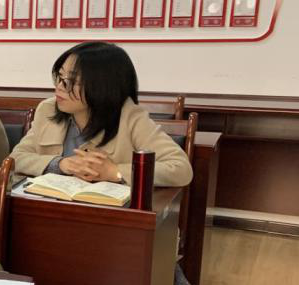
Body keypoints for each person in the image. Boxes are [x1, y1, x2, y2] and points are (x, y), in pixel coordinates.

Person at [10, 41, 192, 187]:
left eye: (70, 80)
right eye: (59, 76)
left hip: (105, 214)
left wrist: (115, 172)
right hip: (49, 206)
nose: (59, 86)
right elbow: (15, 158)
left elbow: (181, 168)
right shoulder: (48, 109)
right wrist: (61, 164)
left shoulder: (130, 117)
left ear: (102, 86)